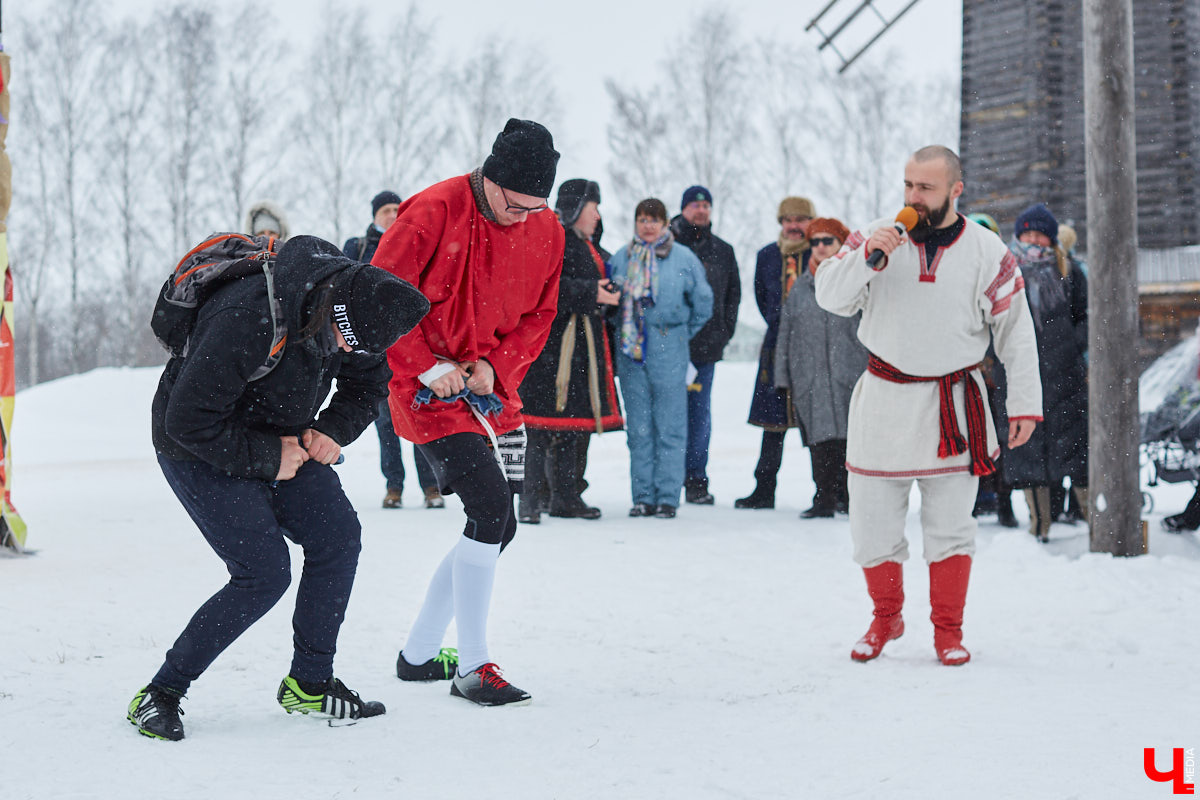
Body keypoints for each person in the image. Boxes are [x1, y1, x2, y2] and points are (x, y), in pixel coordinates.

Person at [129, 235, 428, 741]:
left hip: (280, 435)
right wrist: (270, 458)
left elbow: (368, 382)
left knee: (337, 536)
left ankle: (309, 683)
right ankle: (160, 692)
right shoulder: (247, 316)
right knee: (262, 573)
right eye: (342, 338)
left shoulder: (352, 314)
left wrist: (333, 429)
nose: (344, 349)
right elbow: (188, 420)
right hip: (198, 445)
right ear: (330, 308)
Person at [814, 145, 1042, 666]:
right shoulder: (875, 236)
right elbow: (829, 296)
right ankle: (886, 615)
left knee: (950, 527)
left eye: (926, 188)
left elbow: (1016, 334)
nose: (913, 197)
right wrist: (868, 259)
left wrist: (1025, 404)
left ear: (956, 191)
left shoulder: (987, 252)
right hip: (882, 403)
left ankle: (948, 629)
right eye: (908, 186)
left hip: (953, 407)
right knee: (871, 524)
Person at [373, 118, 564, 706]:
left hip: (492, 392)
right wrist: (426, 365)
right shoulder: (431, 213)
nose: (525, 217)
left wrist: (496, 368)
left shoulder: (547, 229)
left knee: (498, 527)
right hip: (426, 391)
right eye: (516, 204)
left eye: (538, 207)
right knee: (488, 506)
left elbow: (540, 316)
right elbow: (375, 297)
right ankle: (475, 666)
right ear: (491, 178)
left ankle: (420, 653)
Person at [518, 178, 623, 524]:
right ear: (578, 208)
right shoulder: (553, 239)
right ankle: (531, 501)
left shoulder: (585, 244)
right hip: (552, 348)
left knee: (571, 427)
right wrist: (592, 292)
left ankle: (565, 496)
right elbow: (542, 288)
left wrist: (603, 295)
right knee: (539, 427)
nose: (597, 216)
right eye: (594, 207)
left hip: (580, 351)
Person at [608, 198, 713, 519]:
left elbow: (703, 304)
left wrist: (679, 333)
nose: (648, 226)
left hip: (671, 344)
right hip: (632, 350)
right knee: (639, 427)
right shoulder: (622, 258)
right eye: (642, 219)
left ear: (667, 223)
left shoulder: (684, 258)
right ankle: (643, 496)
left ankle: (667, 496)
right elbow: (611, 303)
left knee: (670, 424)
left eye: (654, 220)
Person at [344, 190, 443, 510]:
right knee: (386, 423)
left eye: (395, 209)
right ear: (374, 215)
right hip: (375, 350)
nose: (390, 214)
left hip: (412, 347)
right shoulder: (358, 248)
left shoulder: (415, 242)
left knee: (418, 417)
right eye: (385, 209)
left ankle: (431, 486)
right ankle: (394, 486)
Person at [1001, 203, 1089, 543]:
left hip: (1064, 373)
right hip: (1020, 374)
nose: (1033, 238)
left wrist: (1072, 348)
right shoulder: (1005, 272)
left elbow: (1085, 316)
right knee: (1028, 448)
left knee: (1073, 447)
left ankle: (1094, 521)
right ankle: (1039, 526)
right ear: (1018, 235)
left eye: (1040, 233)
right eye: (1028, 232)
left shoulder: (1069, 272)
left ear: (1051, 239)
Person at [774, 217, 866, 518]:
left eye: (829, 241)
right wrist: (783, 375)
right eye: (815, 242)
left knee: (852, 439)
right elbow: (786, 332)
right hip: (811, 376)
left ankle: (850, 497)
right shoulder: (800, 287)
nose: (821, 247)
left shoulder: (857, 281)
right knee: (820, 440)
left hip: (851, 373)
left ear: (841, 244)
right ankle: (824, 497)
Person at [736, 196, 816, 509]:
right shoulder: (767, 256)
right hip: (775, 346)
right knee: (773, 423)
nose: (794, 225)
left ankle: (828, 491)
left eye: (800, 219)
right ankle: (764, 489)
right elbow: (761, 296)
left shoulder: (821, 252)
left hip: (813, 347)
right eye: (787, 220)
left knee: (816, 422)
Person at [670, 186, 740, 505]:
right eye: (695, 205)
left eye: (706, 205)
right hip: (666, 349)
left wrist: (722, 334)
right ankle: (666, 479)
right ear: (684, 208)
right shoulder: (667, 244)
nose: (701, 210)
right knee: (668, 416)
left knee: (699, 417)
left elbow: (732, 297)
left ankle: (696, 480)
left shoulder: (722, 251)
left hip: (703, 352)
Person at [966, 211, 1019, 529]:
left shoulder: (1007, 275)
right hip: (969, 371)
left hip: (1001, 374)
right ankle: (970, 502)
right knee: (971, 438)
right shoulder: (958, 274)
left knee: (1003, 441)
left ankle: (1004, 502)